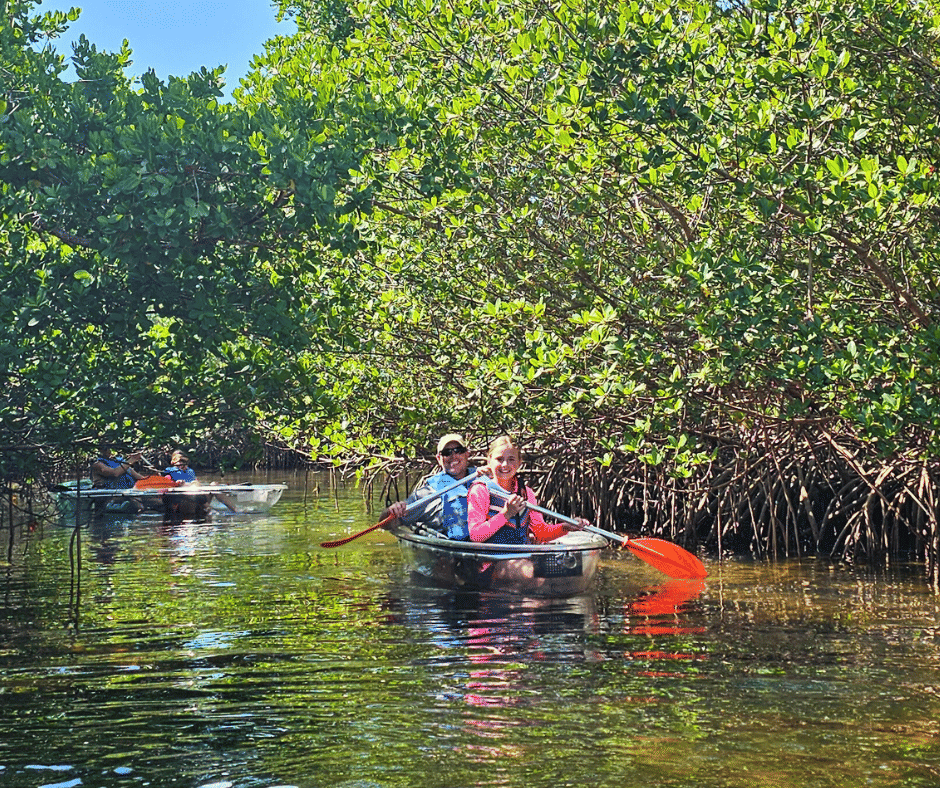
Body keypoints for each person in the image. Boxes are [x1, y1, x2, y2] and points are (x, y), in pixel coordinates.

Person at [467, 435, 590, 545]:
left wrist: (565, 527)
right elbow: (476, 536)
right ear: (489, 460)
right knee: (523, 567)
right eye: (499, 459)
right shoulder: (480, 490)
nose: (505, 465)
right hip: (491, 559)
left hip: (520, 555)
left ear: (519, 462)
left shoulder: (527, 493)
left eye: (511, 459)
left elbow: (541, 533)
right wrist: (506, 514)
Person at [384, 433, 483, 540]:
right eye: (447, 453)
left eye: (459, 450)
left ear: (467, 454)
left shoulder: (486, 478)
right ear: (439, 458)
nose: (453, 456)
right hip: (452, 551)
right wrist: (392, 511)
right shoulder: (427, 493)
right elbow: (386, 523)